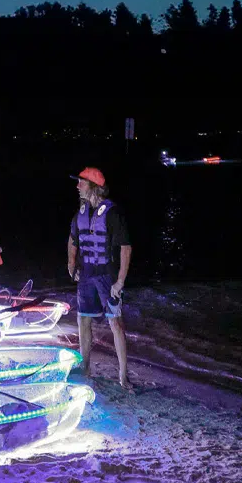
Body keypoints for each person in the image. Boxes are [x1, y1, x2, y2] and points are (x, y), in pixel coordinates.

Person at [67, 167, 133, 389]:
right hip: (86, 275)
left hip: (107, 275)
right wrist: (71, 264)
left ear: (93, 186)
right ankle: (85, 368)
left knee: (116, 323)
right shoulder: (81, 214)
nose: (77, 186)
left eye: (81, 183)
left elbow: (125, 248)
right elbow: (73, 240)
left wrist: (120, 280)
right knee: (83, 319)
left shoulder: (113, 214)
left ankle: (123, 376)